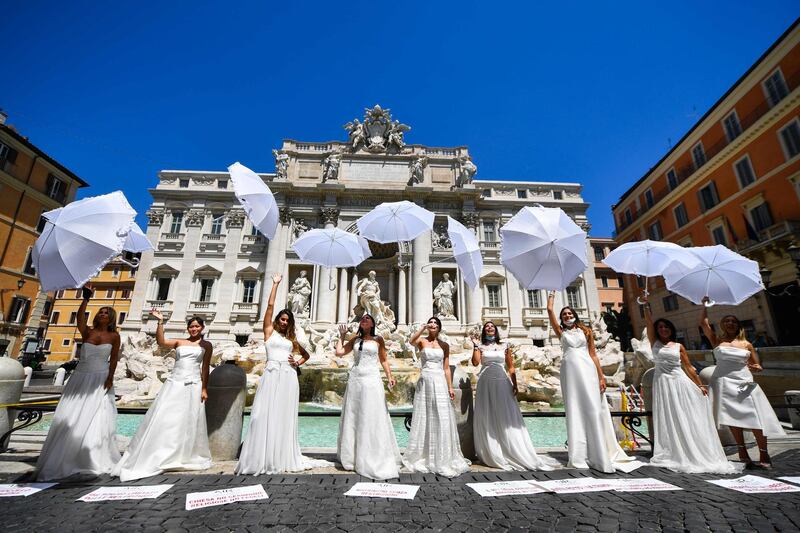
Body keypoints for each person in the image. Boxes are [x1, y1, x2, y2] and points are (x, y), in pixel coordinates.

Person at [237, 274, 331, 474]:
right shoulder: (269, 332)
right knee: (262, 414)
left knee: (284, 416)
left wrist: (297, 361)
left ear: (290, 323)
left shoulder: (293, 339)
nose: (283, 322)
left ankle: (280, 455)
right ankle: (262, 456)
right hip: (271, 374)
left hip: (288, 376)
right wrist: (275, 284)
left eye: (287, 320)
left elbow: (306, 354)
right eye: (282, 318)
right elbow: (269, 307)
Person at [641, 293, 737, 473]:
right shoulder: (654, 342)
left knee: (684, 415)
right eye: (660, 327)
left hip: (679, 382)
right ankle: (674, 450)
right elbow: (649, 324)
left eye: (666, 327)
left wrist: (700, 385)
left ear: (671, 329)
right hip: (662, 384)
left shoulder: (679, 347)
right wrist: (646, 306)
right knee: (669, 416)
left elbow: (689, 368)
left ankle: (690, 449)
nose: (663, 329)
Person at [113, 312, 212, 481]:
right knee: (166, 415)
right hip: (175, 382)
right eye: (191, 326)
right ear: (188, 328)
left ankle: (182, 452)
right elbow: (161, 342)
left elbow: (205, 368)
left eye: (197, 326)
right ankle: (159, 449)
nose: (194, 328)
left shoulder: (207, 345)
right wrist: (160, 322)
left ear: (202, 328)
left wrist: (204, 388)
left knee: (188, 418)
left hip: (194, 383)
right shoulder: (179, 342)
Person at [35, 285, 121, 480]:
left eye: (106, 313)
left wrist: (110, 378)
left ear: (111, 318)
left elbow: (114, 359)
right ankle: (66, 454)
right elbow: (79, 319)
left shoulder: (114, 336)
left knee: (97, 415)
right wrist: (86, 299)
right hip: (81, 376)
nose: (102, 315)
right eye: (101, 312)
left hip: (100, 376)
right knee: (71, 413)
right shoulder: (87, 333)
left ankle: (90, 455)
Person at [547, 291, 632, 472]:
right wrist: (551, 296)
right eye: (564, 315)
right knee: (574, 407)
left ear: (575, 315)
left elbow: (593, 354)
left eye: (569, 313)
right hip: (569, 371)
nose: (567, 316)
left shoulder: (586, 331)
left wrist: (601, 376)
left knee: (593, 407)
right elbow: (549, 311)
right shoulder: (561, 332)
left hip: (587, 368)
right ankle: (578, 454)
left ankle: (598, 452)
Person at [700, 301, 785, 468]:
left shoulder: (747, 344)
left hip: (743, 381)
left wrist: (756, 367)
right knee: (731, 418)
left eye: (733, 321)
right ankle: (742, 451)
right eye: (726, 321)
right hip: (722, 381)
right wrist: (705, 305)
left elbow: (758, 366)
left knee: (755, 418)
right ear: (723, 325)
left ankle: (763, 452)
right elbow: (703, 323)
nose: (730, 323)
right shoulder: (716, 340)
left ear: (738, 325)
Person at [471, 321, 557, 471]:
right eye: (487, 327)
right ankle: (492, 451)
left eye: (492, 326)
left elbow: (510, 367)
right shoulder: (481, 346)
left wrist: (515, 384)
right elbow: (475, 362)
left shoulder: (505, 346)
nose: (489, 328)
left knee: (505, 415)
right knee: (487, 414)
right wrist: (475, 345)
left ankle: (510, 450)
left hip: (502, 381)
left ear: (495, 330)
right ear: (484, 331)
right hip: (485, 382)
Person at [335, 314, 401, 479]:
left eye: (367, 318)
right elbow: (339, 352)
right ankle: (353, 457)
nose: (364, 320)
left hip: (372, 378)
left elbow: (384, 359)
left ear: (372, 323)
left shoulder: (378, 339)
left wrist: (390, 376)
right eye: (362, 318)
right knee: (354, 415)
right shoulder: (355, 340)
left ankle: (373, 454)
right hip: (356, 378)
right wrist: (342, 336)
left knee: (372, 414)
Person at [402, 317, 470, 477]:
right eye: (430, 323)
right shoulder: (422, 342)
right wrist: (422, 327)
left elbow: (446, 367)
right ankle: (423, 455)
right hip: (425, 380)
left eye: (435, 323)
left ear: (439, 327)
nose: (432, 325)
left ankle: (443, 455)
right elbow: (411, 341)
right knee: (424, 416)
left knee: (442, 416)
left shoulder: (444, 345)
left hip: (439, 380)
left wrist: (449, 387)